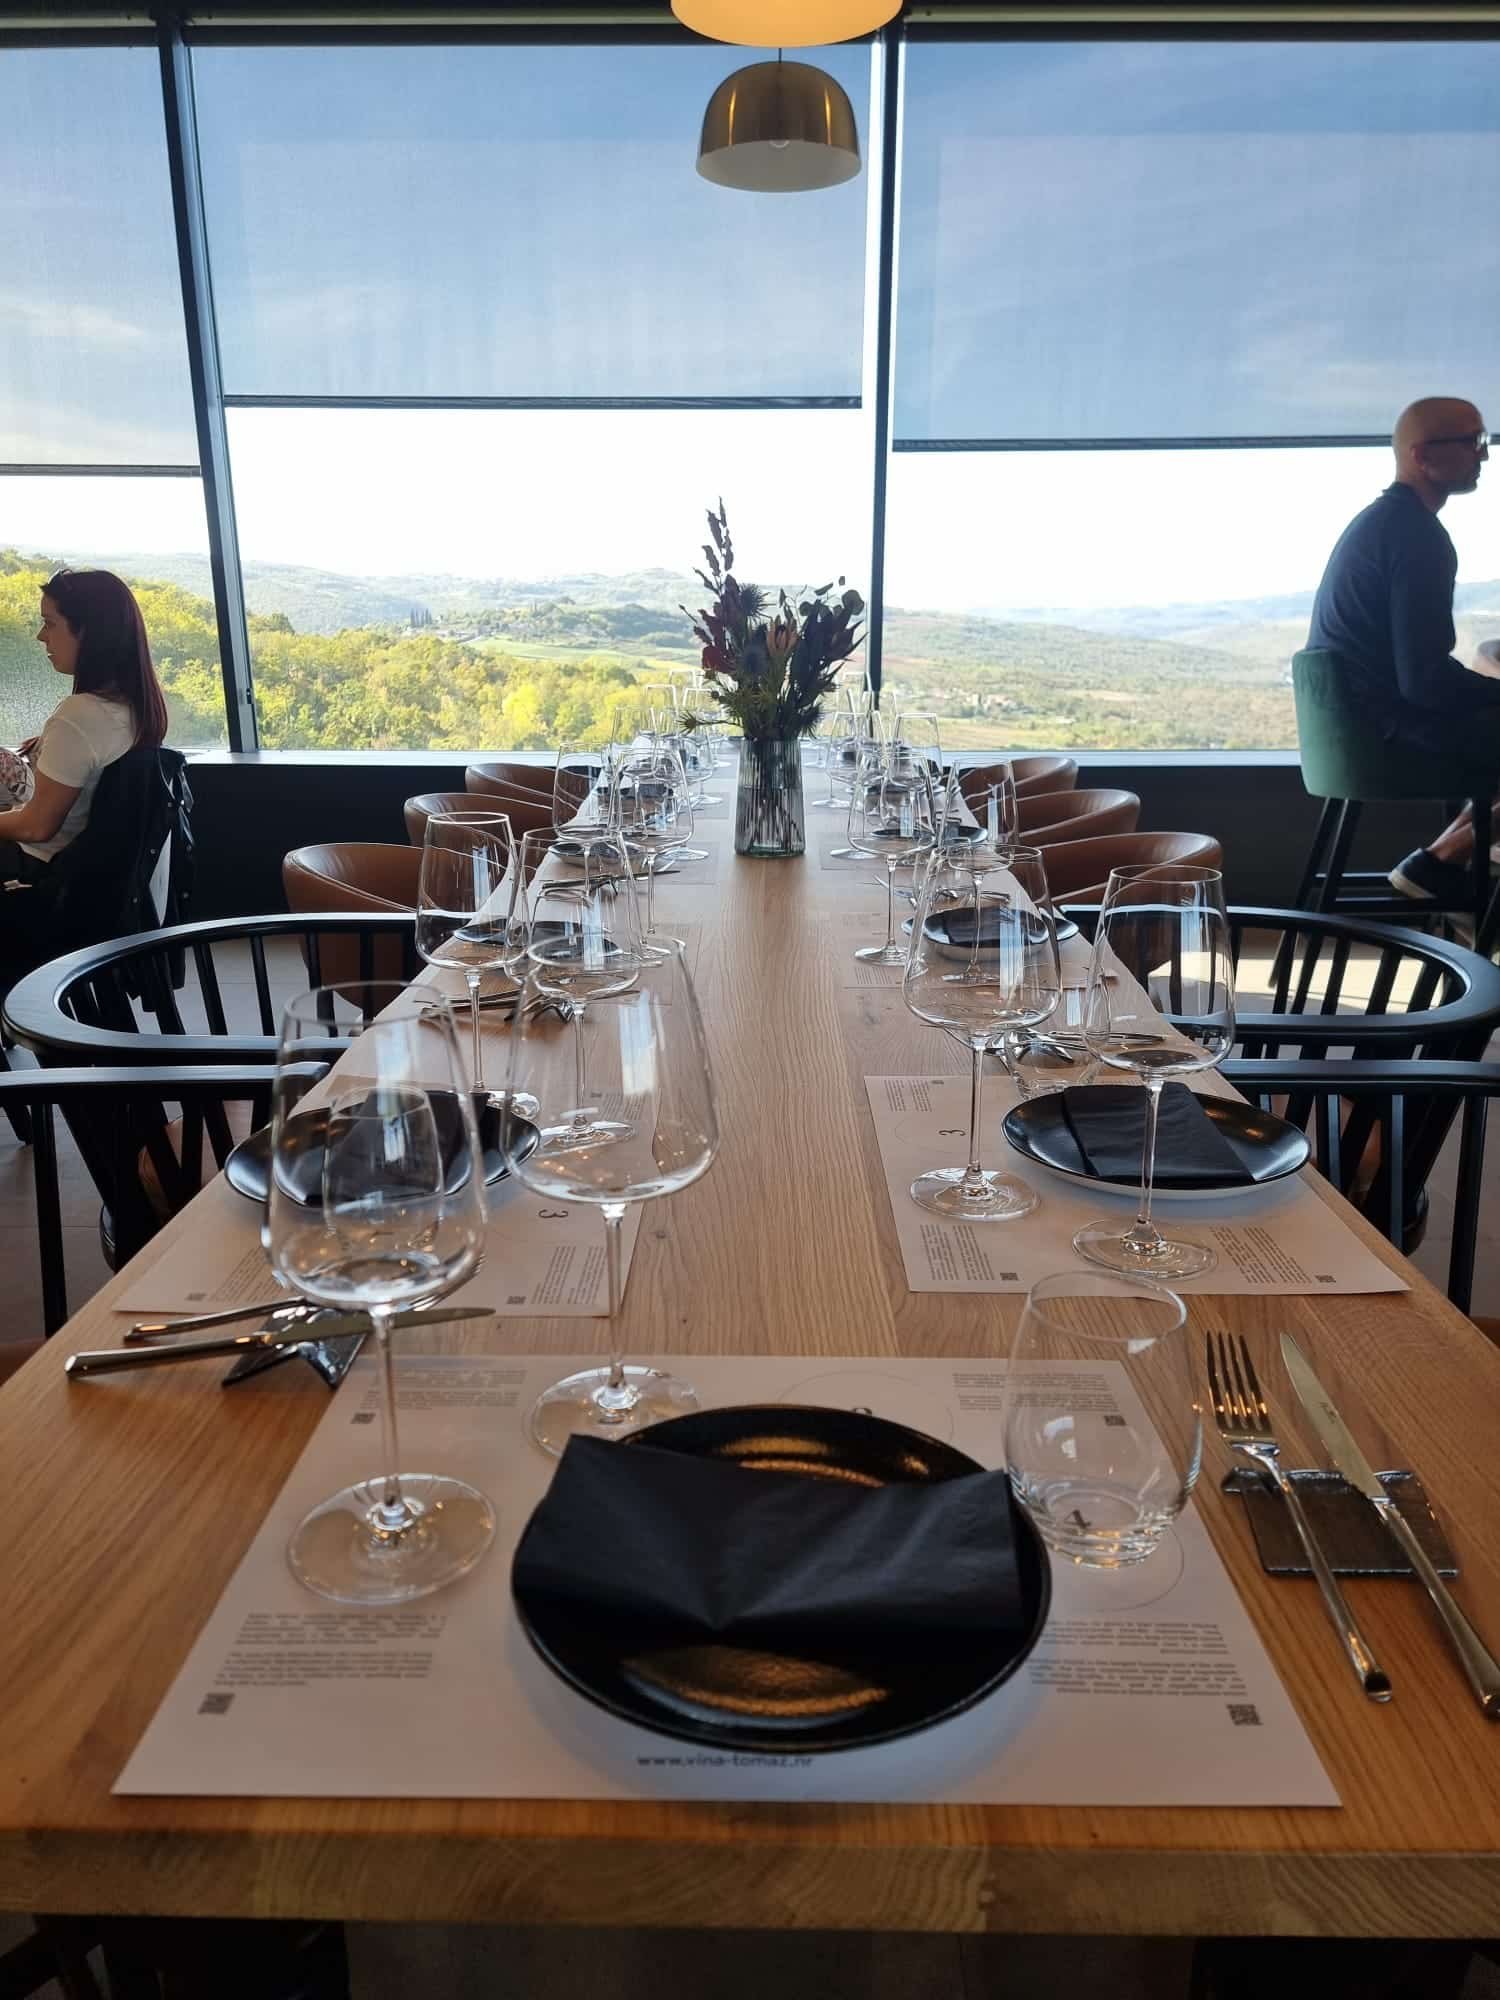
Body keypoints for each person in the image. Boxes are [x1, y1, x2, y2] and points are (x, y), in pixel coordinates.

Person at [1305, 395, 1500, 903]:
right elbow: (1425, 682)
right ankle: (1447, 869)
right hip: (1384, 738)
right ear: (1421, 455)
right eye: (1472, 442)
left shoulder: (1383, 524)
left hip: (1353, 735)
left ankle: (1439, 865)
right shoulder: (1418, 536)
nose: (1484, 454)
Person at [0, 568, 168, 885]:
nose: (40, 635)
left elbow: (37, 827)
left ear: (89, 632)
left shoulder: (80, 715)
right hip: (82, 874)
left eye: (50, 623)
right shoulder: (135, 709)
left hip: (36, 872)